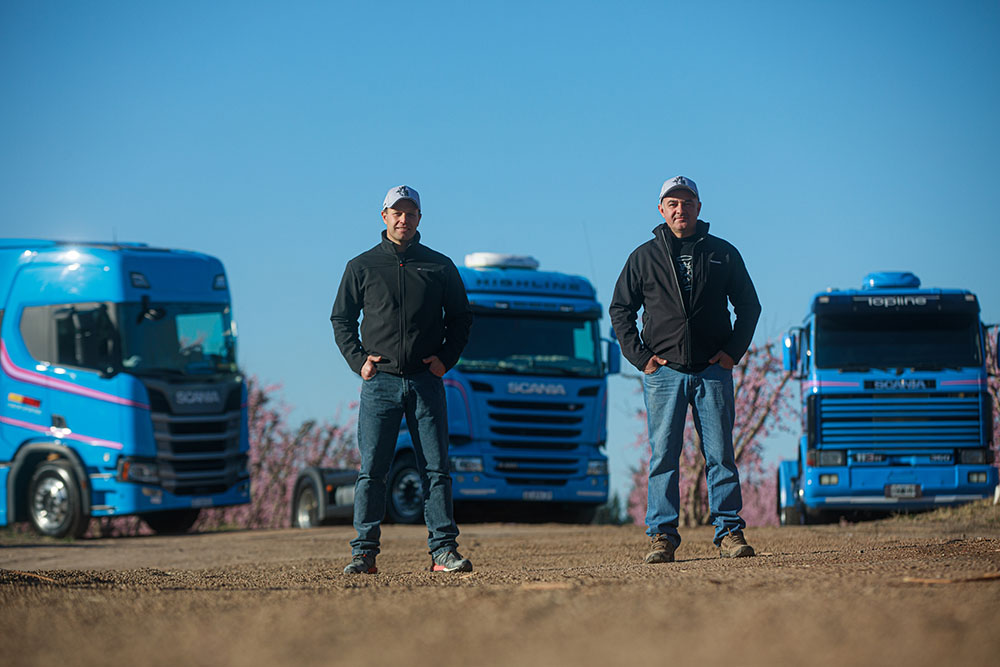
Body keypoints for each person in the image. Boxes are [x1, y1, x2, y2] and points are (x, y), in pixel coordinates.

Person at [609, 175, 762, 563]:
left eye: (688, 202)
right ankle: (662, 536)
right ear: (661, 209)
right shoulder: (643, 257)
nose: (681, 209)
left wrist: (732, 353)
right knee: (663, 456)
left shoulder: (722, 253)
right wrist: (641, 358)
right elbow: (620, 310)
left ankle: (729, 532)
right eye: (673, 203)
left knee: (721, 454)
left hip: (713, 370)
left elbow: (749, 306)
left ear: (699, 207)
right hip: (664, 373)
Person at [331, 185, 474, 574]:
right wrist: (359, 361)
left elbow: (461, 318)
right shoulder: (361, 266)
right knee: (372, 471)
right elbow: (341, 319)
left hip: (426, 382)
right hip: (380, 383)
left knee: (436, 469)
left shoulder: (439, 266)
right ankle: (364, 554)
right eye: (397, 212)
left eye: (410, 213)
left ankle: (443, 551)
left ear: (419, 218)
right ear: (384, 217)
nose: (403, 219)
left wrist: (445, 360)